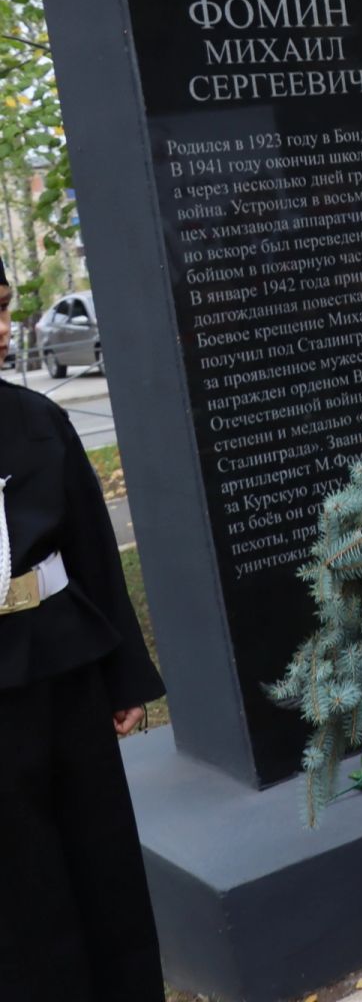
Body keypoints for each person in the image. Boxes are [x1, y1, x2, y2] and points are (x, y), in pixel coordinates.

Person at [0, 259, 167, 1000]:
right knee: (21, 883)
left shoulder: (37, 420)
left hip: (62, 666)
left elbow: (93, 551)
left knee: (99, 858)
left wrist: (122, 673)